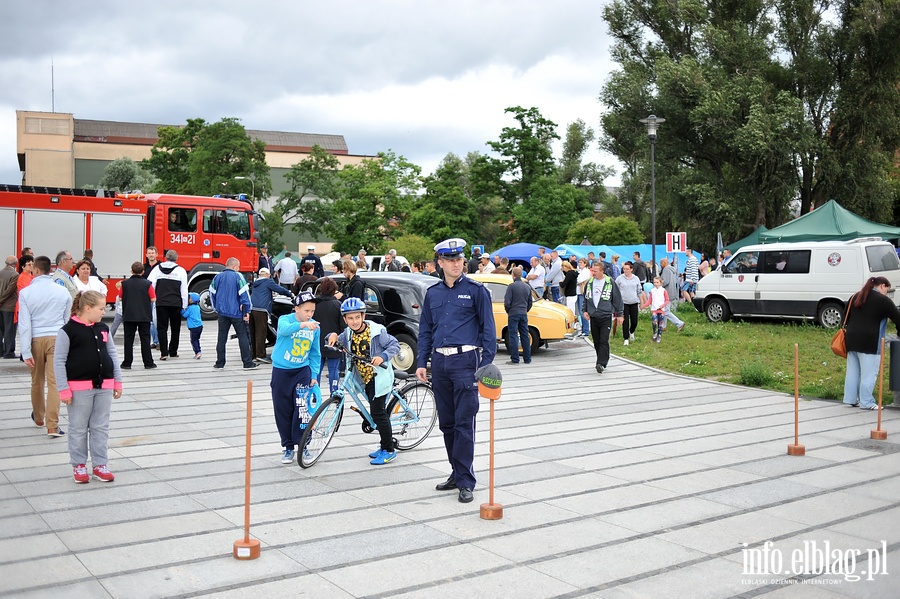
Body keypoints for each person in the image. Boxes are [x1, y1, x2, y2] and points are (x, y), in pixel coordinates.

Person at [416, 238, 496, 504]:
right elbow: (426, 330)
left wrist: (486, 364)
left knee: (464, 424)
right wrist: (421, 362)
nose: (456, 264)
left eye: (459, 259)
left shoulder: (476, 290)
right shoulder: (434, 293)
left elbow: (488, 329)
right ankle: (456, 470)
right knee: (447, 424)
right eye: (450, 260)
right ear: (440, 263)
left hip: (466, 362)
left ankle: (465, 480)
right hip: (439, 364)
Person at [54, 290, 123, 483]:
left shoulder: (103, 328)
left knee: (101, 427)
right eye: (101, 308)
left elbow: (112, 354)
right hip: (79, 388)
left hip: (105, 385)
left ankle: (100, 464)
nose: (103, 312)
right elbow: (59, 361)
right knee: (78, 428)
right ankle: (79, 465)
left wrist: (117, 381)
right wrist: (63, 389)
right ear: (87, 308)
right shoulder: (67, 331)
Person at [326, 297, 401, 464]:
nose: (354, 321)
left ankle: (389, 450)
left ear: (363, 316)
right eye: (350, 318)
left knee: (378, 413)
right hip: (364, 378)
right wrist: (331, 336)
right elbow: (336, 339)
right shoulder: (348, 333)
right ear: (344, 319)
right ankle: (383, 445)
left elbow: (395, 345)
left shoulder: (376, 332)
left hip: (379, 377)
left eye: (357, 317)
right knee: (376, 411)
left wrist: (382, 357)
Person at [19, 255, 73, 437]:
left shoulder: (26, 293)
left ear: (35, 269)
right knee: (54, 382)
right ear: (51, 269)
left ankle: (39, 417)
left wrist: (25, 350)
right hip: (57, 336)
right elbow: (67, 319)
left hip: (35, 338)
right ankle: (52, 424)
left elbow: (24, 324)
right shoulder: (62, 291)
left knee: (37, 381)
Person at [270, 291, 321, 464]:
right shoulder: (286, 319)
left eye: (312, 311)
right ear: (296, 309)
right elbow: (283, 331)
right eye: (306, 311)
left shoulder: (315, 326)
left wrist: (314, 374)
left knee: (302, 410)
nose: (310, 315)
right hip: (281, 371)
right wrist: (302, 326)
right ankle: (288, 447)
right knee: (283, 409)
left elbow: (315, 353)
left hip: (302, 372)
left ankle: (303, 445)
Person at [843, 277, 900, 410]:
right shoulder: (883, 300)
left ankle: (850, 399)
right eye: (887, 289)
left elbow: (846, 314)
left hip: (851, 338)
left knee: (853, 371)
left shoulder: (856, 296)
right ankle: (867, 402)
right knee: (869, 373)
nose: (887, 292)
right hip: (871, 341)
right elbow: (898, 318)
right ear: (882, 286)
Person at [210, 257, 257, 370]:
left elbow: (211, 293)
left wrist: (216, 308)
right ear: (235, 266)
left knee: (221, 338)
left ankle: (220, 363)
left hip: (222, 313)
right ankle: (247, 363)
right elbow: (245, 295)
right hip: (236, 313)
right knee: (243, 337)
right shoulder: (238, 276)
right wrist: (247, 310)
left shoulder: (217, 277)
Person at [147, 250, 188, 360]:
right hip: (175, 303)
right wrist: (184, 305)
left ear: (165, 257)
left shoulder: (157, 269)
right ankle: (173, 351)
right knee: (175, 328)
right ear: (176, 258)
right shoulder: (181, 271)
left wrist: (154, 298)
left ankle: (164, 353)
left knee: (162, 328)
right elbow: (184, 289)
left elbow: (150, 284)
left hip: (161, 303)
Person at [583, 262, 623, 374]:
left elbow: (617, 299)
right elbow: (586, 298)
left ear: (602, 271)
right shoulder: (590, 282)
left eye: (595, 271)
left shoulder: (610, 282)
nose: (593, 273)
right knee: (596, 340)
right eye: (592, 271)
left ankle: (601, 363)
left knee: (604, 340)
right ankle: (600, 359)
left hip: (605, 316)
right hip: (594, 316)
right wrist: (585, 310)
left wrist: (619, 314)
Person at [249, 267, 292, 363]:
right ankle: (260, 355)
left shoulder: (255, 283)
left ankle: (253, 354)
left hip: (252, 309)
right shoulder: (268, 282)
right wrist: (290, 294)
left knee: (253, 332)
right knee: (261, 332)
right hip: (262, 310)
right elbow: (280, 289)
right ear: (268, 275)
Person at [120, 261, 157, 370]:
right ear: (143, 272)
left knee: (128, 340)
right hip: (144, 315)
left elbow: (120, 297)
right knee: (145, 339)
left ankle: (127, 363)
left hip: (129, 315)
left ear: (131, 271)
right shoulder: (147, 284)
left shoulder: (124, 284)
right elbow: (153, 299)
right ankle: (148, 362)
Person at [313, 277, 344, 393]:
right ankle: (334, 393)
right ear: (334, 290)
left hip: (317, 342)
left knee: (316, 371)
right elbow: (342, 327)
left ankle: (315, 395)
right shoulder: (338, 305)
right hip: (333, 342)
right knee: (333, 370)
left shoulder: (314, 304)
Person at [503, 266, 533, 365]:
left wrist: (509, 311)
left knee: (513, 335)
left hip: (513, 313)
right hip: (523, 313)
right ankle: (527, 358)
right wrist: (525, 310)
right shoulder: (527, 287)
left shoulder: (511, 286)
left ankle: (515, 359)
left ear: (513, 275)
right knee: (525, 335)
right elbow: (530, 302)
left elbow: (507, 302)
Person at [615, 262, 645, 346]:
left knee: (634, 321)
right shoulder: (619, 278)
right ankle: (626, 338)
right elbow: (615, 290)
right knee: (625, 321)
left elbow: (639, 291)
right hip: (623, 303)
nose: (625, 271)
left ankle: (631, 331)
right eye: (624, 269)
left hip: (634, 302)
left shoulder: (636, 279)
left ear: (631, 269)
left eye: (627, 269)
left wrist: (641, 302)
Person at [12, 255, 35, 358]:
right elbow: (26, 292)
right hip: (24, 307)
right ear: (22, 267)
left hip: (29, 307)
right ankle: (24, 353)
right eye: (28, 264)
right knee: (25, 330)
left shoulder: (31, 276)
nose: (31, 266)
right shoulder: (23, 277)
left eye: (32, 264)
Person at [659, 258, 685, 333]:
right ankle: (663, 326)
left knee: (665, 311)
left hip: (667, 292)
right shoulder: (672, 270)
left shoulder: (666, 269)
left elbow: (666, 281)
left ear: (664, 262)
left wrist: (658, 284)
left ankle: (679, 323)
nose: (660, 265)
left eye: (661, 263)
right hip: (672, 291)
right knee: (664, 309)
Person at [641, 277, 670, 343]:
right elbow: (650, 301)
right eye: (654, 282)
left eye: (657, 282)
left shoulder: (663, 290)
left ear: (660, 283)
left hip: (661, 309)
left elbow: (667, 300)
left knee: (660, 323)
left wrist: (662, 305)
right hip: (654, 309)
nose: (656, 284)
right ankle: (655, 333)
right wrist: (644, 306)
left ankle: (659, 335)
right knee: (654, 321)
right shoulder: (652, 291)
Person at [0, 255, 18, 359]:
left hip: (1, 306)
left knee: (1, 329)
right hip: (9, 306)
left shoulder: (0, 272)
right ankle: (9, 352)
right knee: (9, 330)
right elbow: (9, 290)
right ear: (15, 264)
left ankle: (0, 351)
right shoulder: (15, 274)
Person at [143, 246, 161, 349]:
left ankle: (158, 341)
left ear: (156, 254)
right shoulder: (144, 267)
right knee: (149, 321)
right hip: (146, 297)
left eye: (152, 253)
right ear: (146, 255)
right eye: (149, 253)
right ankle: (154, 341)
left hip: (156, 296)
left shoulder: (160, 266)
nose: (151, 255)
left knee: (156, 320)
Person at [182, 292, 203, 359]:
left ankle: (197, 352)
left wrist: (182, 310)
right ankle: (199, 350)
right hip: (200, 326)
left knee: (193, 340)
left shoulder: (190, 308)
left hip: (193, 327)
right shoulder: (197, 307)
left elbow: (185, 315)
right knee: (197, 339)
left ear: (191, 300)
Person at [576, 257, 591, 337]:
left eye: (581, 262)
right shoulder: (580, 271)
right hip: (578, 292)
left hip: (582, 292)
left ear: (585, 264)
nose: (580, 264)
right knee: (579, 311)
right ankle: (583, 329)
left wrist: (577, 280)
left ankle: (586, 330)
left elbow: (579, 280)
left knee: (583, 312)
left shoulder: (586, 271)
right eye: (579, 262)